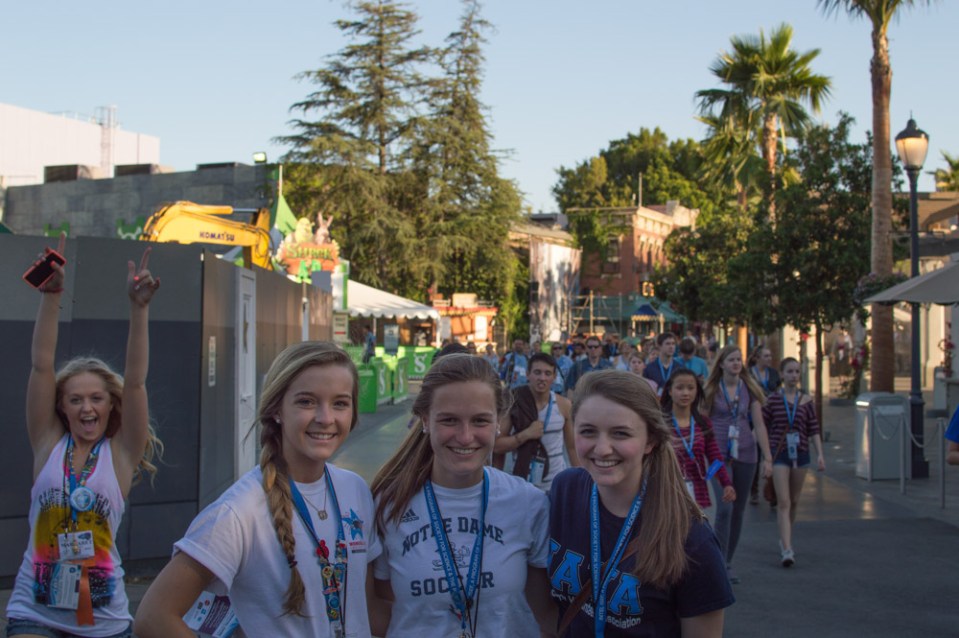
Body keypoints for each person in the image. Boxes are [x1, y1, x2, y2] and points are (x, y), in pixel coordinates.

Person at [135, 342, 380, 637]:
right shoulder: (239, 511)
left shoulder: (355, 489)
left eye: (340, 403)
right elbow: (153, 617)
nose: (326, 418)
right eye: (306, 402)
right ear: (277, 409)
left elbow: (368, 609)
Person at [6, 239, 163, 638]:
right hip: (34, 610)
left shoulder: (121, 454)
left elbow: (136, 381)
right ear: (61, 407)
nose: (86, 408)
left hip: (102, 618)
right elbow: (41, 366)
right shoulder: (47, 443)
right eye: (75, 400)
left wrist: (139, 309)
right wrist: (52, 295)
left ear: (111, 405)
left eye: (96, 398)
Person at [370, 354, 554, 637]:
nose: (466, 436)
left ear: (498, 422)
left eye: (480, 420)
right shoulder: (389, 504)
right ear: (425, 420)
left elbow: (543, 614)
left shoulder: (528, 503)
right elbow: (384, 607)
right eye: (449, 420)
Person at [548, 370, 733, 636]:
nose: (602, 449)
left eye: (620, 434)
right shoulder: (566, 490)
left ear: (651, 440)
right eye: (588, 431)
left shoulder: (692, 541)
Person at [703, 345, 773, 584]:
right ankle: (717, 561)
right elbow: (702, 422)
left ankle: (727, 561)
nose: (736, 363)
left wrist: (768, 457)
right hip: (717, 457)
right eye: (731, 359)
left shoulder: (749, 389)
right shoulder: (711, 390)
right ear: (721, 363)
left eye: (739, 359)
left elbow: (759, 425)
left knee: (738, 510)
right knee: (725, 509)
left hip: (746, 453)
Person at [763, 357, 825, 567]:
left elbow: (813, 429)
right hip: (779, 454)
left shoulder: (806, 401)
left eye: (797, 372)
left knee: (795, 500)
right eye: (789, 371)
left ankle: (785, 535)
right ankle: (787, 548)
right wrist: (765, 457)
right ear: (781, 374)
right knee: (784, 501)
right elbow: (762, 426)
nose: (793, 375)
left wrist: (820, 454)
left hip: (801, 454)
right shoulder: (773, 400)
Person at [494, 352, 578, 491]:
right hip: (522, 485)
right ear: (528, 374)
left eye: (547, 373)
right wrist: (526, 434)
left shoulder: (564, 405)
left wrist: (581, 480)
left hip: (556, 484)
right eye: (537, 372)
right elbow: (497, 446)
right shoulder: (515, 401)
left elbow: (572, 448)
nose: (542, 378)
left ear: (554, 377)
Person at [661, 369, 735, 510]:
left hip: (696, 490)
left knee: (695, 524)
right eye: (679, 388)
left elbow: (714, 456)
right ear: (670, 391)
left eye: (690, 388)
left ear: (697, 391)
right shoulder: (659, 423)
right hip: (666, 491)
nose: (685, 393)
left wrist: (726, 483)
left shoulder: (703, 423)